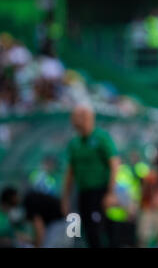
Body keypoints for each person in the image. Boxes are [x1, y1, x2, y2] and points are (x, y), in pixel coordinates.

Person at [61, 104, 120, 247]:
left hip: (100, 192)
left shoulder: (101, 137)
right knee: (87, 230)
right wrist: (65, 198)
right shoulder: (74, 144)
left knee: (99, 229)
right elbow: (70, 173)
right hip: (82, 193)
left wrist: (111, 192)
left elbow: (115, 164)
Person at [1, 186, 72, 248]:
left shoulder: (28, 202)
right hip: (61, 224)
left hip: (59, 224)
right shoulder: (28, 199)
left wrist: (37, 245)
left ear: (13, 198)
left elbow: (39, 227)